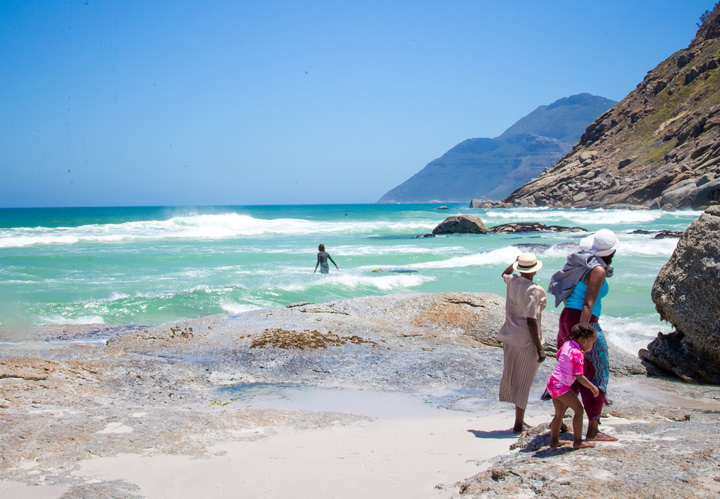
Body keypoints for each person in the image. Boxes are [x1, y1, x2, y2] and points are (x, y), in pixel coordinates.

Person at [547, 229, 619, 442]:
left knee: (570, 369)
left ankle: (558, 420)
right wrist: (582, 335)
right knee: (597, 370)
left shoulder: (583, 263)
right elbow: (588, 304)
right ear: (612, 251)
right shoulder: (597, 269)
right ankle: (593, 430)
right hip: (583, 321)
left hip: (567, 317)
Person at [498, 252, 547, 434]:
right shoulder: (534, 289)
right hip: (526, 340)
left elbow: (504, 273)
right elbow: (531, 320)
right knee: (524, 380)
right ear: (534, 271)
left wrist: (514, 262)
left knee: (512, 375)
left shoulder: (513, 281)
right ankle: (519, 423)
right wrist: (540, 348)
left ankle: (519, 420)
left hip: (510, 336)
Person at [547, 322, 599, 449]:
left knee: (559, 413)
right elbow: (579, 376)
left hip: (552, 382)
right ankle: (578, 442)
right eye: (592, 343)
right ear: (583, 340)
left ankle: (554, 441)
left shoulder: (567, 344)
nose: (592, 346)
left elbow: (559, 355)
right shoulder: (577, 353)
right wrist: (592, 387)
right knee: (579, 410)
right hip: (561, 386)